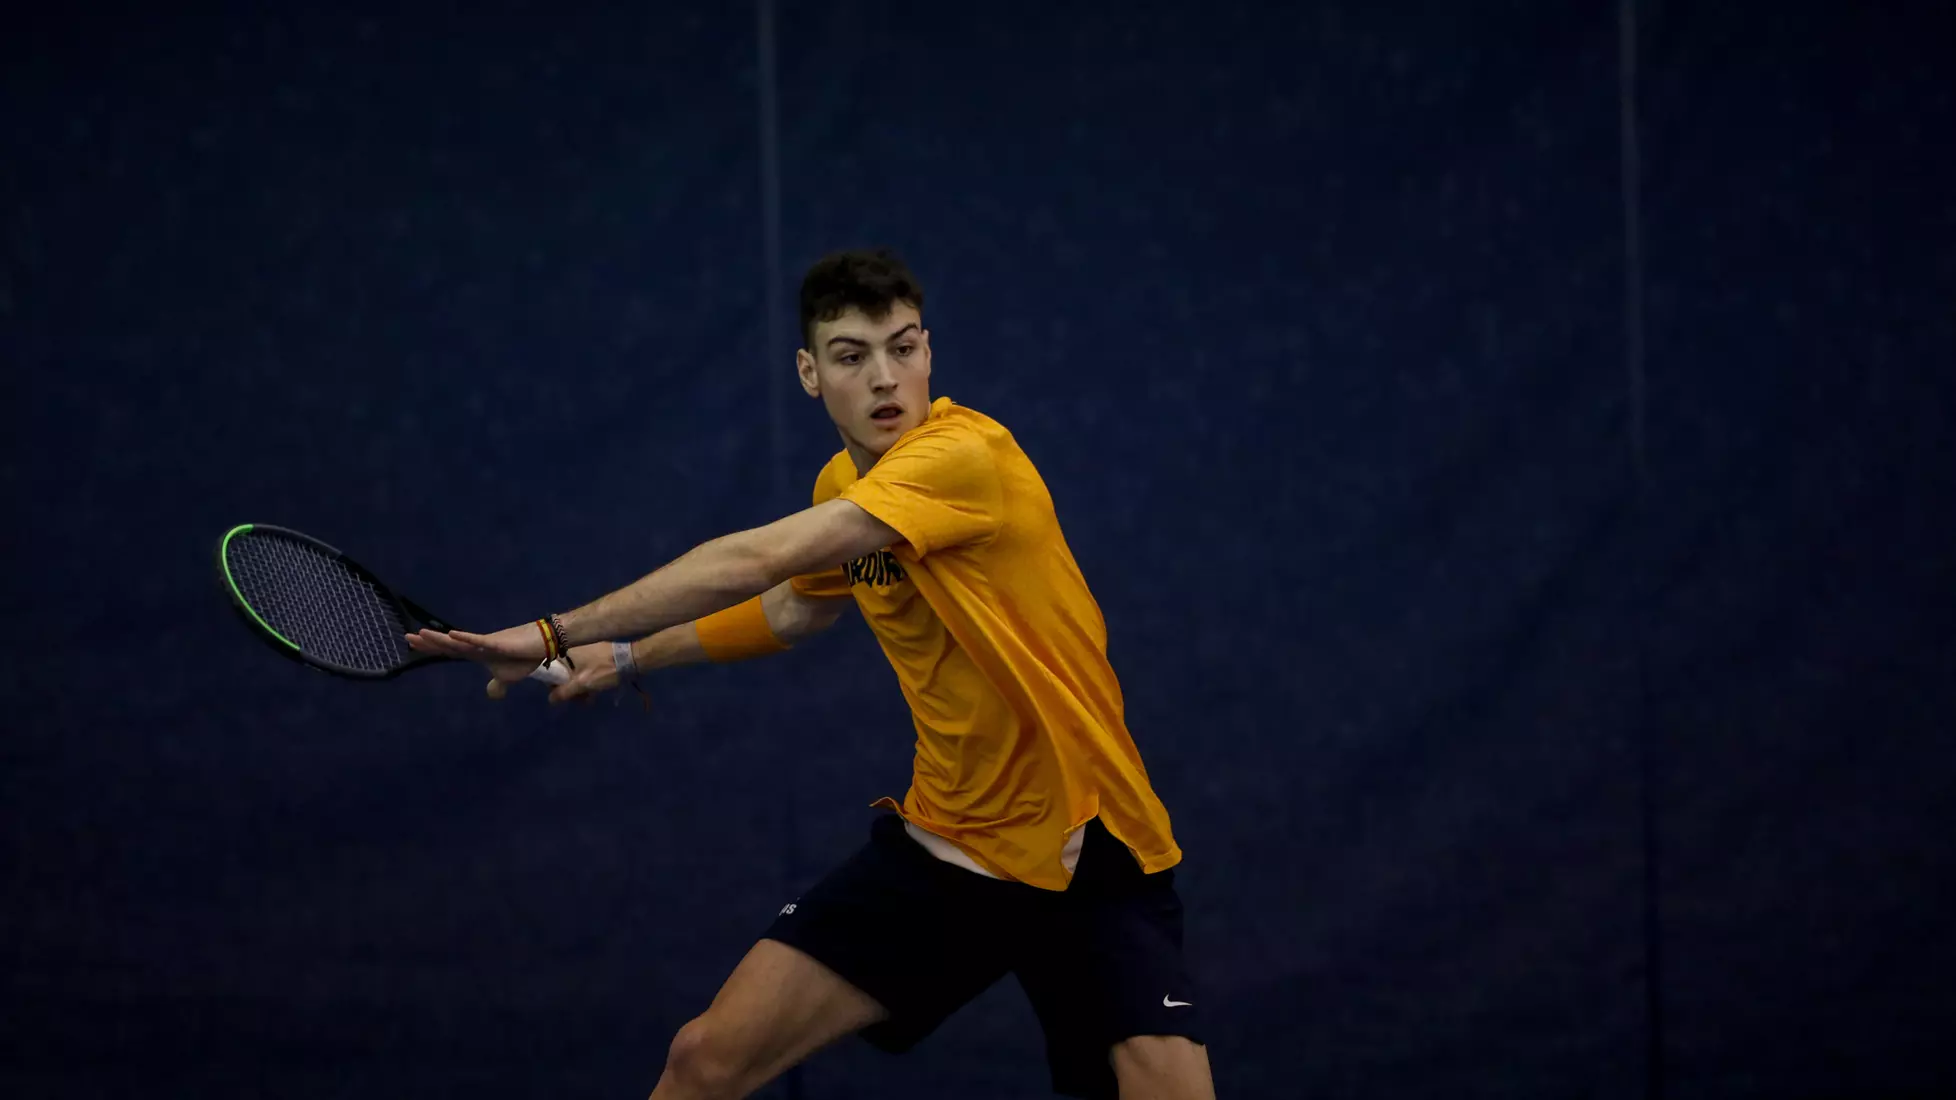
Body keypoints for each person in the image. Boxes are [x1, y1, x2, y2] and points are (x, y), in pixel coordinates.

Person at [407, 248, 1214, 1100]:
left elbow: (765, 557)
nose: (884, 379)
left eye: (903, 348)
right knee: (705, 1060)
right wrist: (629, 655)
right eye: (852, 355)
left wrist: (553, 630)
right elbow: (794, 607)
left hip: (1090, 844)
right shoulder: (847, 485)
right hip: (954, 845)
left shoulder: (964, 457)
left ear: (930, 352)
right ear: (809, 372)